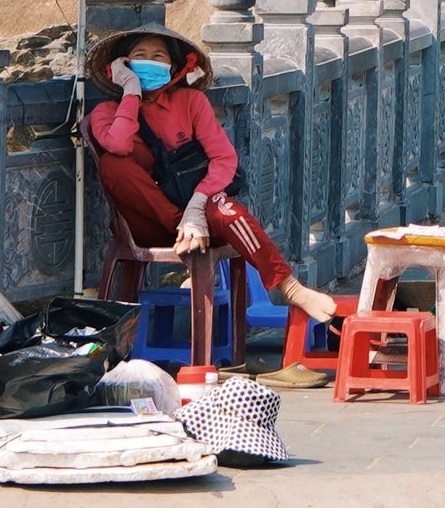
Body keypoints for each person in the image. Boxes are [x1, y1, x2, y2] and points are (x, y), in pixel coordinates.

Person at [81, 31, 347, 339]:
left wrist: (195, 209)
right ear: (122, 64)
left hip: (200, 216)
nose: (149, 62)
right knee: (113, 164)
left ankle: (289, 287)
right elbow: (119, 144)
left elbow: (224, 159)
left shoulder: (191, 102)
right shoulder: (106, 113)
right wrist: (130, 90)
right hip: (148, 223)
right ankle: (182, 224)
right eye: (140, 56)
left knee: (229, 209)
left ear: (175, 66)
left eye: (159, 57)